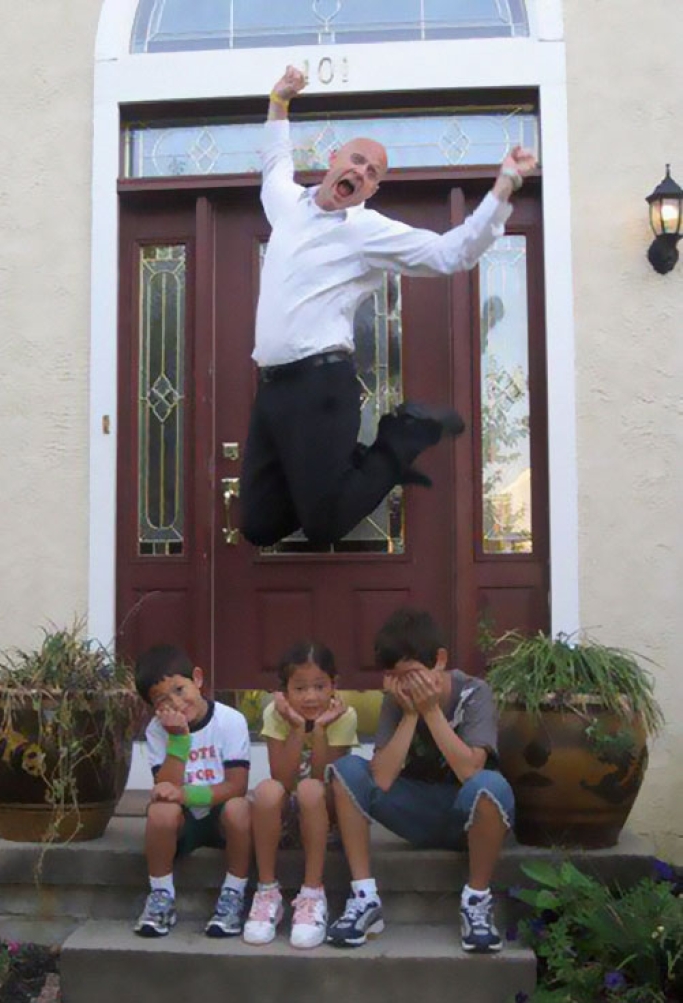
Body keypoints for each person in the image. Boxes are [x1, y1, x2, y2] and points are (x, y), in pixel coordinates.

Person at [240, 66, 537, 548]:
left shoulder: (366, 231)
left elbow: (451, 253)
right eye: (356, 161)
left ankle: (402, 436)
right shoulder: (286, 204)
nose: (360, 172)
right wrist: (279, 100)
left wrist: (503, 188)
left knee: (324, 525)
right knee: (257, 525)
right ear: (333, 158)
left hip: (321, 385)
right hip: (272, 389)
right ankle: (353, 467)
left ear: (372, 190)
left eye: (371, 173)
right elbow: (275, 160)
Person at [325, 608, 514, 953]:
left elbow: (469, 771)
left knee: (491, 785)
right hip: (413, 812)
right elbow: (380, 779)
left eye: (412, 674)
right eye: (394, 677)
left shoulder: (475, 693)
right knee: (349, 769)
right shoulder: (396, 700)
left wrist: (430, 711)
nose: (404, 685)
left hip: (466, 814)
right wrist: (411, 713)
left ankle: (476, 901)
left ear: (439, 660)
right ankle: (365, 897)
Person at [243, 641, 358, 949]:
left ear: (334, 685)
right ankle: (267, 891)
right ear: (284, 691)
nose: (310, 697)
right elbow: (281, 777)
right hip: (287, 814)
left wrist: (319, 730)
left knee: (310, 787)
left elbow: (325, 778)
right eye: (300, 688)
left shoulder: (344, 716)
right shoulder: (275, 714)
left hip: (325, 813)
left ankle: (312, 892)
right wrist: (296, 727)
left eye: (320, 686)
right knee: (266, 790)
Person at [133, 643, 251, 939]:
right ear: (153, 707)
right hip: (184, 823)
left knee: (240, 808)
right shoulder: (157, 731)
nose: (175, 703)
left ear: (197, 679)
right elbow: (165, 790)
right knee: (160, 811)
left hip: (222, 818)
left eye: (179, 690)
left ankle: (233, 894)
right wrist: (178, 741)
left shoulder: (230, 720)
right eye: (162, 700)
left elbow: (237, 786)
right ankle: (161, 896)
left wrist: (187, 795)